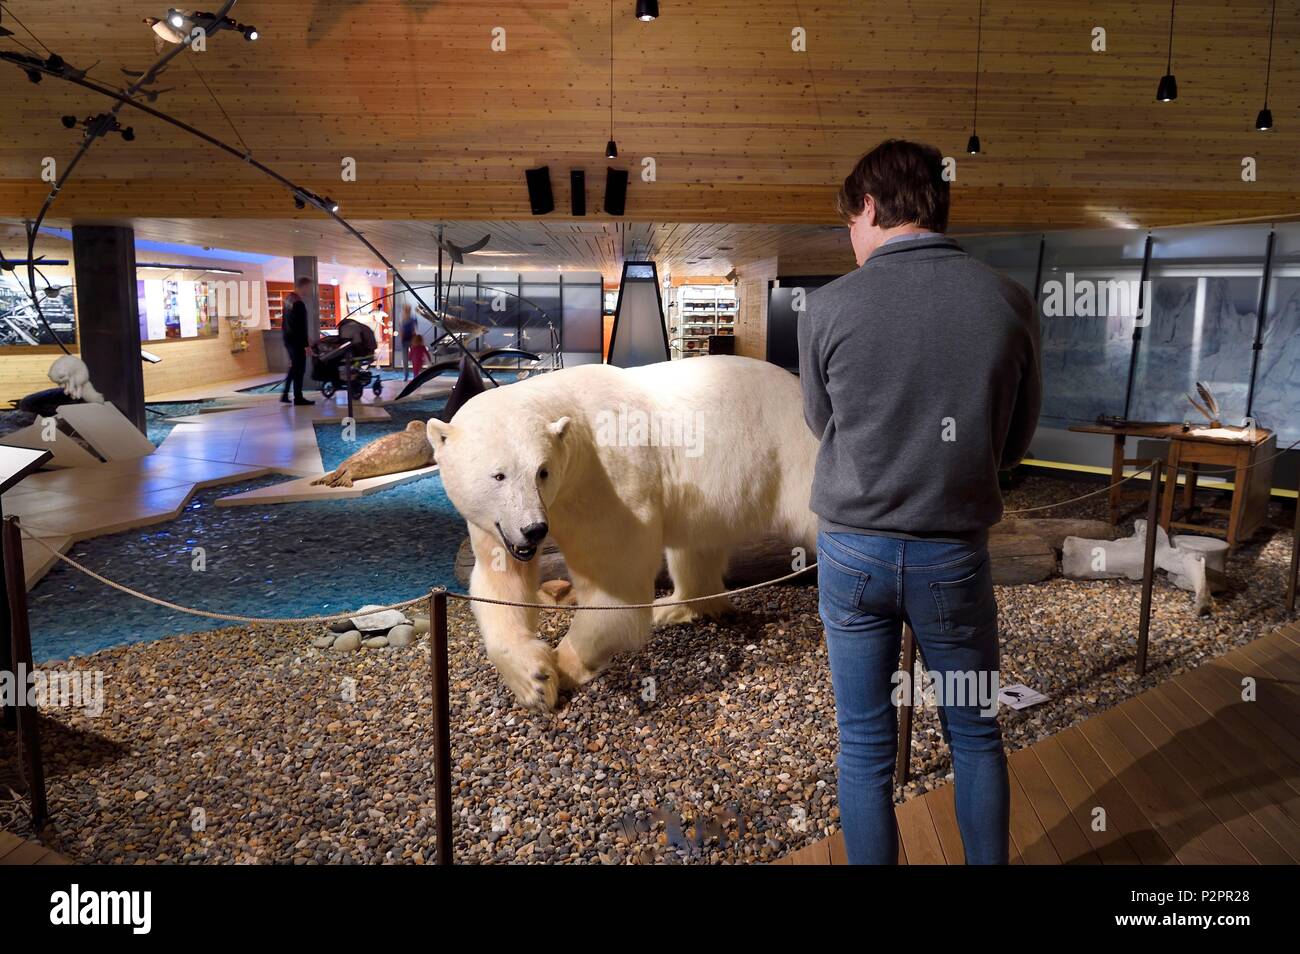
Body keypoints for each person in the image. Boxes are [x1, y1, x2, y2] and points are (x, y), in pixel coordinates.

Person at [798, 139, 1041, 865]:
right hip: (953, 558)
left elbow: (822, 422)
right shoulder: (1007, 300)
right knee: (974, 732)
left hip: (852, 555)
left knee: (864, 744)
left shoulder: (830, 306)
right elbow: (1015, 442)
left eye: (851, 223)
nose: (852, 239)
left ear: (869, 206)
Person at [281, 276, 315, 406]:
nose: (309, 290)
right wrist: (306, 346)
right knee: (299, 369)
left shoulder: (289, 299)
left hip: (288, 338)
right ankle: (298, 397)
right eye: (309, 287)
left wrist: (304, 339)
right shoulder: (299, 303)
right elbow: (301, 326)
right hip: (296, 341)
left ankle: (285, 394)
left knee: (294, 367)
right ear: (304, 286)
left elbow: (287, 323)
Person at [399, 304, 417, 380]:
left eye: (408, 309)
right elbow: (400, 330)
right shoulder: (402, 318)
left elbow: (415, 330)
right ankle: (406, 375)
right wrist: (401, 337)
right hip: (405, 340)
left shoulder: (413, 318)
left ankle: (415, 375)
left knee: (413, 358)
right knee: (405, 358)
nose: (407, 310)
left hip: (412, 340)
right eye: (405, 309)